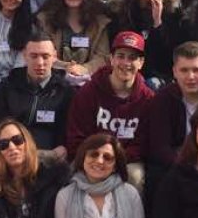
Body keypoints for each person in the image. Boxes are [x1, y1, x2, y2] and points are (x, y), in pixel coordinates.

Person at [66, 31, 155, 189]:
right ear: (111, 59)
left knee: (135, 176)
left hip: (126, 162)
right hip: (89, 158)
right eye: (120, 56)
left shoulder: (148, 99)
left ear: (141, 62)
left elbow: (145, 144)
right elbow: (76, 137)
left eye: (132, 57)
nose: (126, 63)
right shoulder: (89, 91)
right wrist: (98, 158)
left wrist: (114, 159)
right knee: (70, 175)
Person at [54, 133, 147, 218]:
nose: (99, 161)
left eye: (108, 157)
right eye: (94, 154)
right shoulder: (65, 196)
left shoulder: (130, 194)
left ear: (115, 165)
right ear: (83, 158)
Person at [141, 43, 198, 182]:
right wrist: (189, 170)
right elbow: (160, 147)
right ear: (174, 72)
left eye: (197, 70)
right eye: (184, 70)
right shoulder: (162, 100)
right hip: (175, 165)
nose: (191, 76)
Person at [0, 32, 75, 158]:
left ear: (54, 57)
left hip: (50, 158)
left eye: (45, 56)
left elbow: (65, 135)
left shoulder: (65, 92)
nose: (40, 62)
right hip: (12, 155)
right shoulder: (7, 87)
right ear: (24, 56)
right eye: (33, 56)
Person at [106, 0, 184, 86]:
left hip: (158, 73)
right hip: (127, 68)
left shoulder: (171, 12)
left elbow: (167, 55)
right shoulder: (122, 10)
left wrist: (157, 20)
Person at [37, 0, 112, 85]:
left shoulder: (99, 22)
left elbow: (103, 57)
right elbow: (43, 53)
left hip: (89, 84)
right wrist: (65, 66)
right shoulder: (46, 21)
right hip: (54, 82)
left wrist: (84, 69)